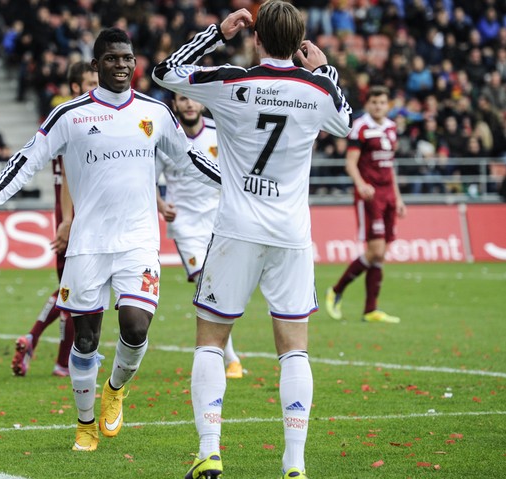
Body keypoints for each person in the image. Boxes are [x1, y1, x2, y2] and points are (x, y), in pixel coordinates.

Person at [0, 28, 221, 452]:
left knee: (135, 328)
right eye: (112, 58)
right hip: (89, 243)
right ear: (95, 66)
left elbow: (190, 160)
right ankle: (84, 424)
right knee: (85, 340)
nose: (122, 65)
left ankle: (115, 388)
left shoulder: (155, 112)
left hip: (138, 241)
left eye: (127, 58)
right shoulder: (69, 115)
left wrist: (237, 186)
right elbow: (27, 159)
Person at [152, 2, 352, 478]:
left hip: (237, 229)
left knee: (210, 342)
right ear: (299, 40)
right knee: (294, 349)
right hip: (291, 235)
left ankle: (209, 450)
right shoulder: (318, 88)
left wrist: (217, 33)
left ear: (256, 37)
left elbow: (164, 73)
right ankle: (294, 463)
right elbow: (346, 123)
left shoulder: (232, 82)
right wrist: (323, 68)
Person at [10, 61, 97, 378]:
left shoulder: (84, 116)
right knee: (73, 290)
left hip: (75, 214)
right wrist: (68, 220)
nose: (94, 88)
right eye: (89, 82)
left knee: (72, 289)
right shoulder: (73, 119)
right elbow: (69, 177)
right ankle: (47, 349)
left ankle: (59, 359)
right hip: (75, 216)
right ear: (75, 87)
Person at [155, 94, 243, 379]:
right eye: (183, 100)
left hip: (219, 221)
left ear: (202, 104)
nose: (190, 104)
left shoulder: (220, 133)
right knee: (205, 284)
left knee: (217, 288)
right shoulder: (168, 139)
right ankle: (229, 358)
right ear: (176, 105)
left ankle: (216, 353)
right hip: (185, 226)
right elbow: (148, 178)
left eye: (193, 100)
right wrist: (160, 204)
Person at [326, 86, 406, 324]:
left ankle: (371, 309)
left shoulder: (391, 128)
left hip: (389, 194)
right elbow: (350, 163)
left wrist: (399, 198)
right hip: (370, 196)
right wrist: (360, 184)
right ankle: (336, 290)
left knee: (380, 254)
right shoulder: (360, 127)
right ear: (368, 104)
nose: (379, 106)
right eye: (374, 102)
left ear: (387, 104)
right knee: (376, 251)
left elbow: (390, 166)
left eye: (382, 102)